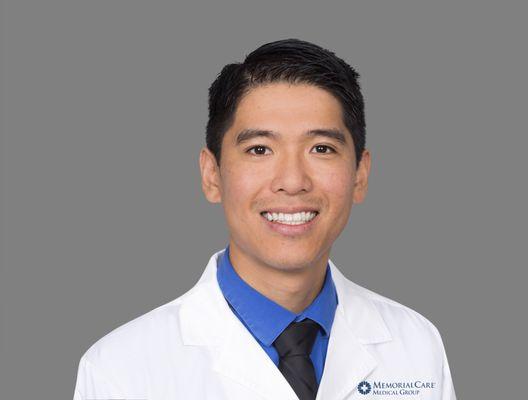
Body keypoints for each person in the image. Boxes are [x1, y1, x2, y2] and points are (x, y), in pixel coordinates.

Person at [72, 38, 457, 400]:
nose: (292, 181)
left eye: (321, 148)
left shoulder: (416, 345)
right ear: (212, 175)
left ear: (360, 174)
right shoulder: (120, 371)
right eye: (259, 149)